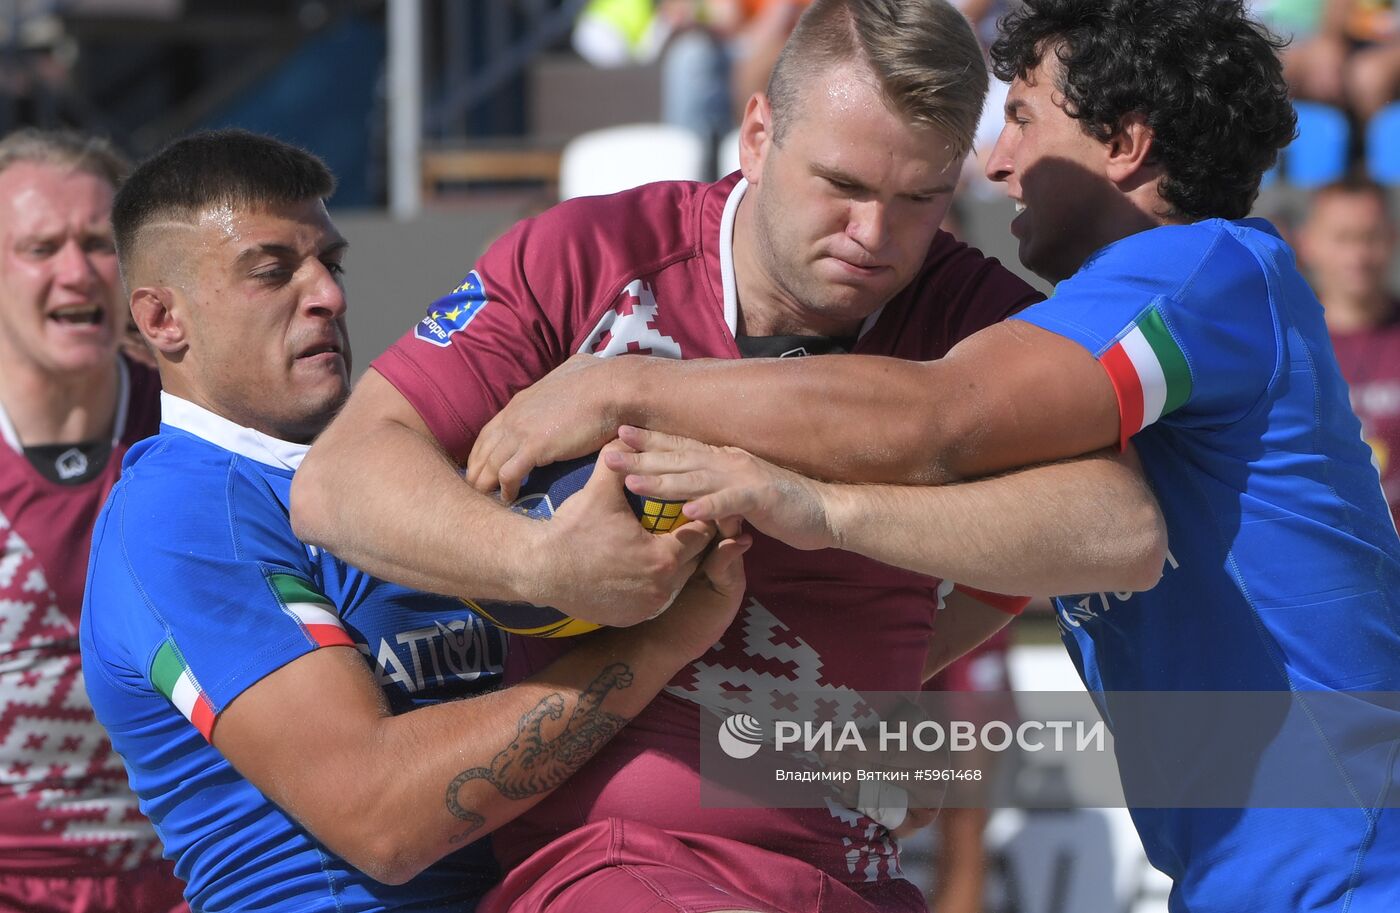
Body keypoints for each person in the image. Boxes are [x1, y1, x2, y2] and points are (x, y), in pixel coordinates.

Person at [460, 1, 1400, 910]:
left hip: (1351, 867)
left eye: (1023, 120)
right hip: (1277, 868)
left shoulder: (1201, 270)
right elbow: (1042, 543)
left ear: (1125, 144)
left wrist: (618, 388)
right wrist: (847, 716)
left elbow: (938, 415)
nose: (996, 163)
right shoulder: (1187, 299)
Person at [293, 2, 1170, 910]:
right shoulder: (591, 255)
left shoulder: (974, 316)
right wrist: (542, 561)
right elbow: (339, 482)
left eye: (919, 198)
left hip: (857, 877)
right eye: (842, 183)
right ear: (757, 134)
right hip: (619, 868)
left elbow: (1122, 530)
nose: (873, 235)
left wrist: (831, 525)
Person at [80, 129, 751, 913]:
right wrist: (659, 642)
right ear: (163, 318)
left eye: (329, 263)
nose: (328, 293)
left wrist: (861, 771)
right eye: (273, 271)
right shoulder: (179, 515)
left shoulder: (425, 470)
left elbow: (888, 777)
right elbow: (382, 818)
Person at [0, 128, 185, 913]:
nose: (74, 272)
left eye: (97, 244)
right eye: (40, 247)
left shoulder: (203, 425)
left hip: (194, 875)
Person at [1298, 177, 1400, 524]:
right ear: (1308, 243)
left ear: (1392, 238)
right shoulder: (1287, 347)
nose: (1358, 256)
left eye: (1370, 238)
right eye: (1343, 238)